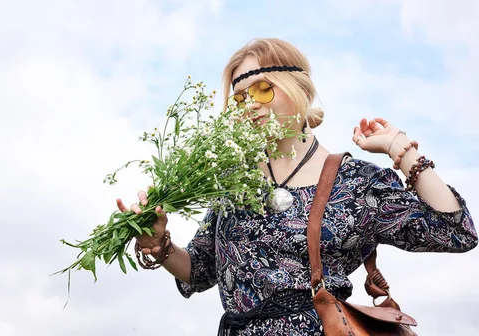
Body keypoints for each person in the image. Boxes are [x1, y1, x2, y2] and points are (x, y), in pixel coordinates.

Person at [116, 38, 478, 335]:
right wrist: (159, 243)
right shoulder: (232, 183)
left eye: (261, 89)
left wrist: (400, 149)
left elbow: (456, 231)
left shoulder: (354, 182)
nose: (249, 105)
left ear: (298, 88)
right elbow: (199, 270)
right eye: (240, 98)